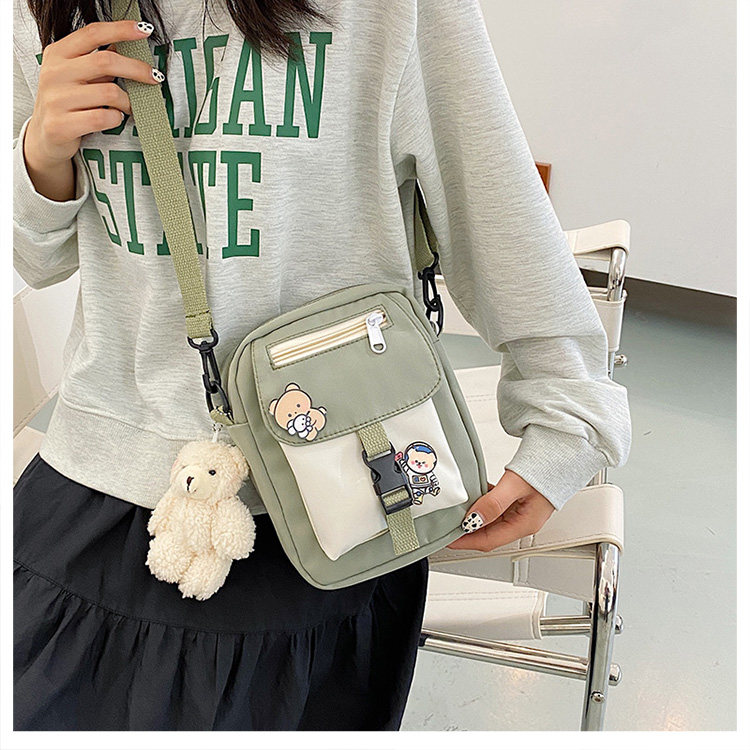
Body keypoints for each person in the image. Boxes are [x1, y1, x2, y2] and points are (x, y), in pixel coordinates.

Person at [12, 0, 632, 731]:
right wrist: (41, 153)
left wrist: (566, 420)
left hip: (331, 503)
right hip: (95, 484)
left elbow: (496, 206)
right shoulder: (48, 9)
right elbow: (40, 258)